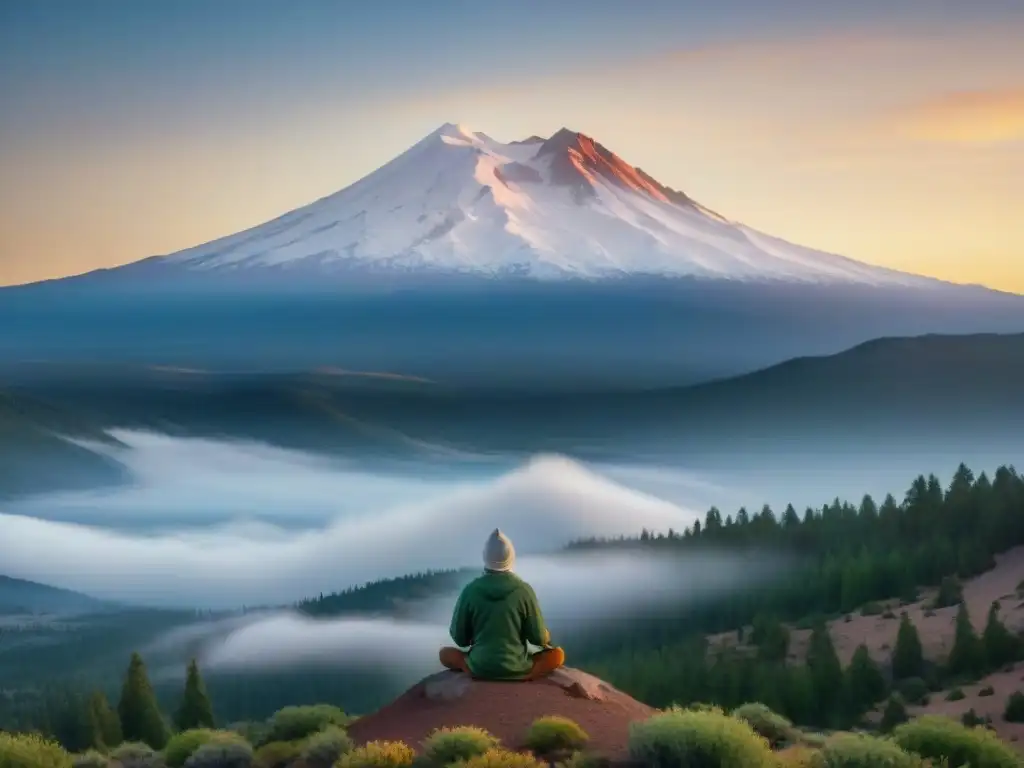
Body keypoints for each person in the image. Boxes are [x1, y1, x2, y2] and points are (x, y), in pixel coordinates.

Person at [439, 528, 566, 681]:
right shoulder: (524, 590)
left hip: (479, 665)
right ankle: (526, 675)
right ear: (511, 556)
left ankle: (472, 670)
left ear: (485, 557)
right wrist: (545, 634)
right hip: (517, 665)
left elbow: (459, 639)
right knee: (558, 655)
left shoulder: (470, 590)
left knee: (444, 654)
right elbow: (538, 639)